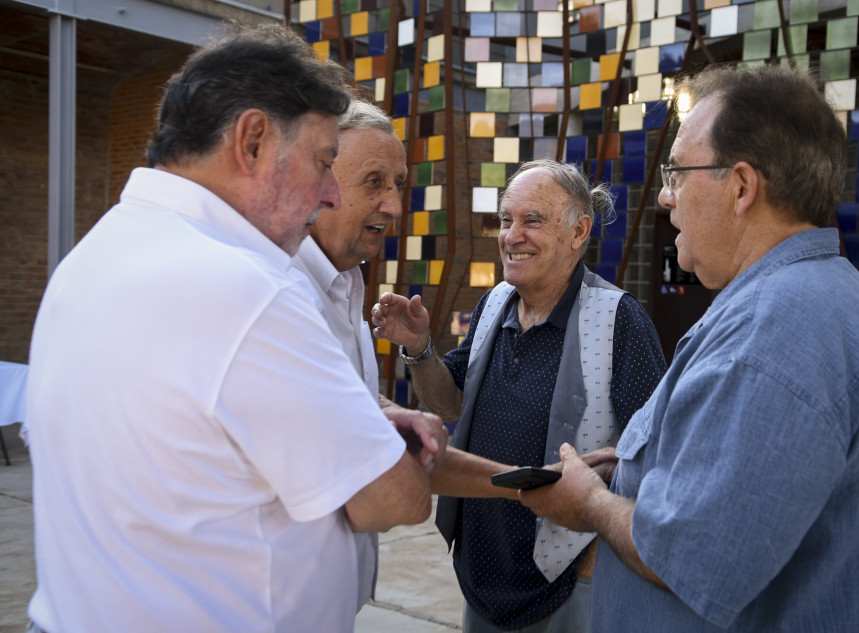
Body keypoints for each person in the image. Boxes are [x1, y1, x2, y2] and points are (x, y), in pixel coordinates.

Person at [25, 24, 445, 633]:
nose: (329, 192)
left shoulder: (92, 256)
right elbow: (393, 499)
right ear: (252, 140)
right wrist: (389, 446)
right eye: (324, 161)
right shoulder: (250, 289)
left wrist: (358, 424)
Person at [519, 63, 859, 632]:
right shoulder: (808, 297)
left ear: (741, 187)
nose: (665, 196)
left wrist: (588, 502)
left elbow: (693, 555)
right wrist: (642, 469)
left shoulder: (780, 323)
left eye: (678, 173)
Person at [371, 158, 667, 632]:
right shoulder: (493, 304)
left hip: (569, 581)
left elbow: (656, 458)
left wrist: (593, 559)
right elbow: (450, 405)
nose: (512, 235)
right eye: (507, 220)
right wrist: (418, 347)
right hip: (482, 573)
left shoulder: (620, 321)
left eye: (532, 220)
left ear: (578, 231)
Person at [290, 98, 444, 608]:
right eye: (374, 182)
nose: (395, 205)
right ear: (317, 182)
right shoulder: (281, 299)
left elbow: (346, 413)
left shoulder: (349, 287)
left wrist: (388, 413)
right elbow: (380, 493)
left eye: (398, 184)